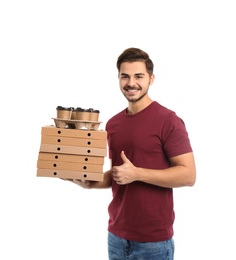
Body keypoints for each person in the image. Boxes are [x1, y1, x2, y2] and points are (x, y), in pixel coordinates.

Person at [66, 47, 196, 260]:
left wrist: (138, 174)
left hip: (153, 242)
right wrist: (89, 182)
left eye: (139, 76)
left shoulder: (168, 120)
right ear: (118, 78)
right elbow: (118, 174)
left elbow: (188, 175)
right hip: (116, 236)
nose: (131, 83)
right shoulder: (113, 124)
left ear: (151, 79)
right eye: (124, 76)